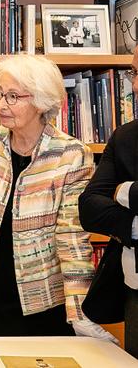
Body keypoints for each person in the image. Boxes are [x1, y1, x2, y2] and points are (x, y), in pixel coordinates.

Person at [0, 55, 116, 341]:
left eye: (13, 96)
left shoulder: (71, 154)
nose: (1, 104)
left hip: (45, 297)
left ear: (41, 101)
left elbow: (72, 238)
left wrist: (78, 311)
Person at [79, 46, 138, 357]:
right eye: (134, 73)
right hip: (134, 289)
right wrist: (135, 225)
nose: (135, 85)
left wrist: (125, 191)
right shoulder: (126, 136)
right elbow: (89, 206)